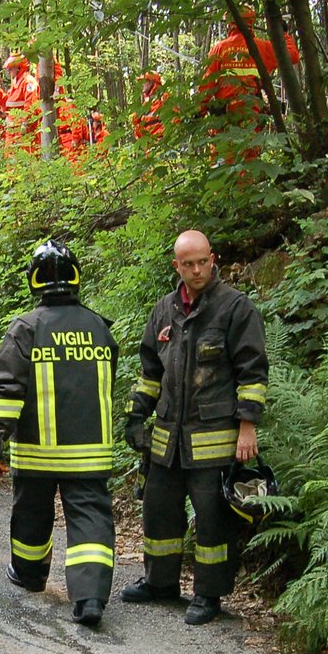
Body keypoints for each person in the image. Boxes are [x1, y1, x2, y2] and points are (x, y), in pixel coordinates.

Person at [122, 230, 268, 625]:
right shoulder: (164, 310)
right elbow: (151, 372)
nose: (197, 269)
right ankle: (160, 583)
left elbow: (252, 374)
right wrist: (136, 415)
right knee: (159, 513)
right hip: (167, 439)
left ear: (212, 258)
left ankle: (209, 593)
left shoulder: (235, 308)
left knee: (212, 520)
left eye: (203, 261)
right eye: (188, 264)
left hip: (215, 440)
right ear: (177, 266)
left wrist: (248, 426)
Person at [0, 241, 119, 627]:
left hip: (37, 453)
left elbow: (8, 392)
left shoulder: (26, 329)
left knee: (32, 515)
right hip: (90, 452)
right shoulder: (99, 326)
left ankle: (30, 576)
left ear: (34, 280)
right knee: (91, 520)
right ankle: (90, 598)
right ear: (76, 277)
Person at [198, 9, 300, 162]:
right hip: (250, 119)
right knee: (247, 163)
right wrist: (282, 33)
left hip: (225, 120)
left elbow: (207, 85)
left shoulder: (219, 49)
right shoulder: (261, 47)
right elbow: (292, 55)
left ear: (230, 24)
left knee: (222, 166)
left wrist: (198, 110)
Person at [1, 52, 40, 152]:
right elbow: (8, 102)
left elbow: (30, 103)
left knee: (25, 156)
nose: (9, 71)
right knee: (10, 158)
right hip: (12, 129)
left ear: (18, 67)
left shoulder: (28, 82)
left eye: (11, 68)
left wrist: (25, 122)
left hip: (24, 130)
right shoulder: (16, 84)